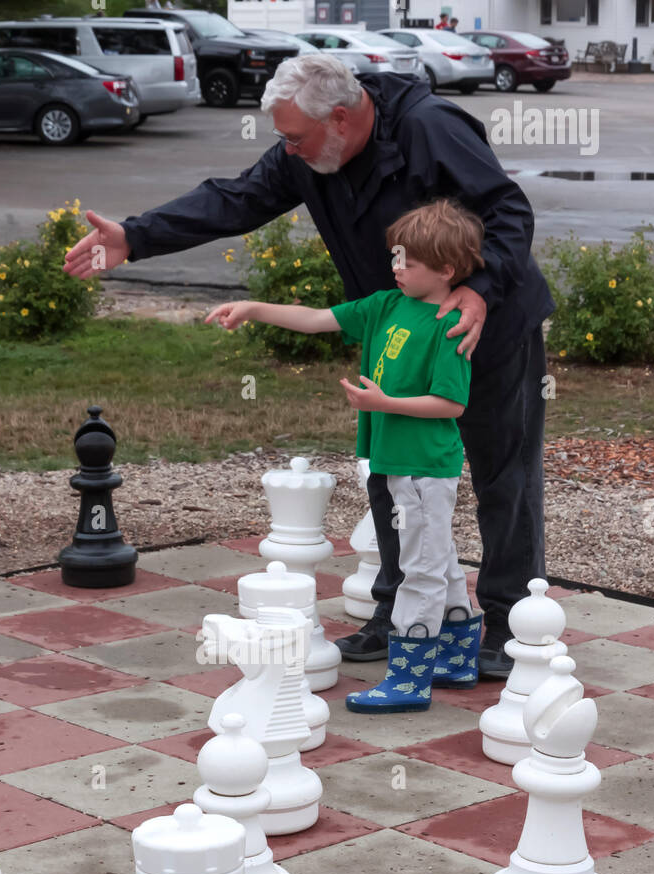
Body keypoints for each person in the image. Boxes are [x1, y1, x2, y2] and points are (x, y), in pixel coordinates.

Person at [63, 53, 554, 678]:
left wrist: (481, 287)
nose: (286, 150)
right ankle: (399, 613)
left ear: (342, 120)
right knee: (393, 471)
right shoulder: (310, 150)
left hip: (484, 324)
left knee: (501, 476)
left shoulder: (429, 127)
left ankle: (512, 627)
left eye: (294, 138)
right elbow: (235, 199)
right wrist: (135, 236)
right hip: (398, 333)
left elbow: (507, 210)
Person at [207, 197, 485, 711]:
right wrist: (252, 309)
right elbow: (315, 319)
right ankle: (458, 657)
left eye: (410, 262)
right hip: (399, 463)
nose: (397, 267)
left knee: (418, 571)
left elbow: (451, 402)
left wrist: (384, 404)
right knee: (438, 559)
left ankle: (408, 679)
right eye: (396, 256)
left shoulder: (450, 327)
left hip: (425, 466)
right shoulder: (384, 305)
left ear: (447, 270)